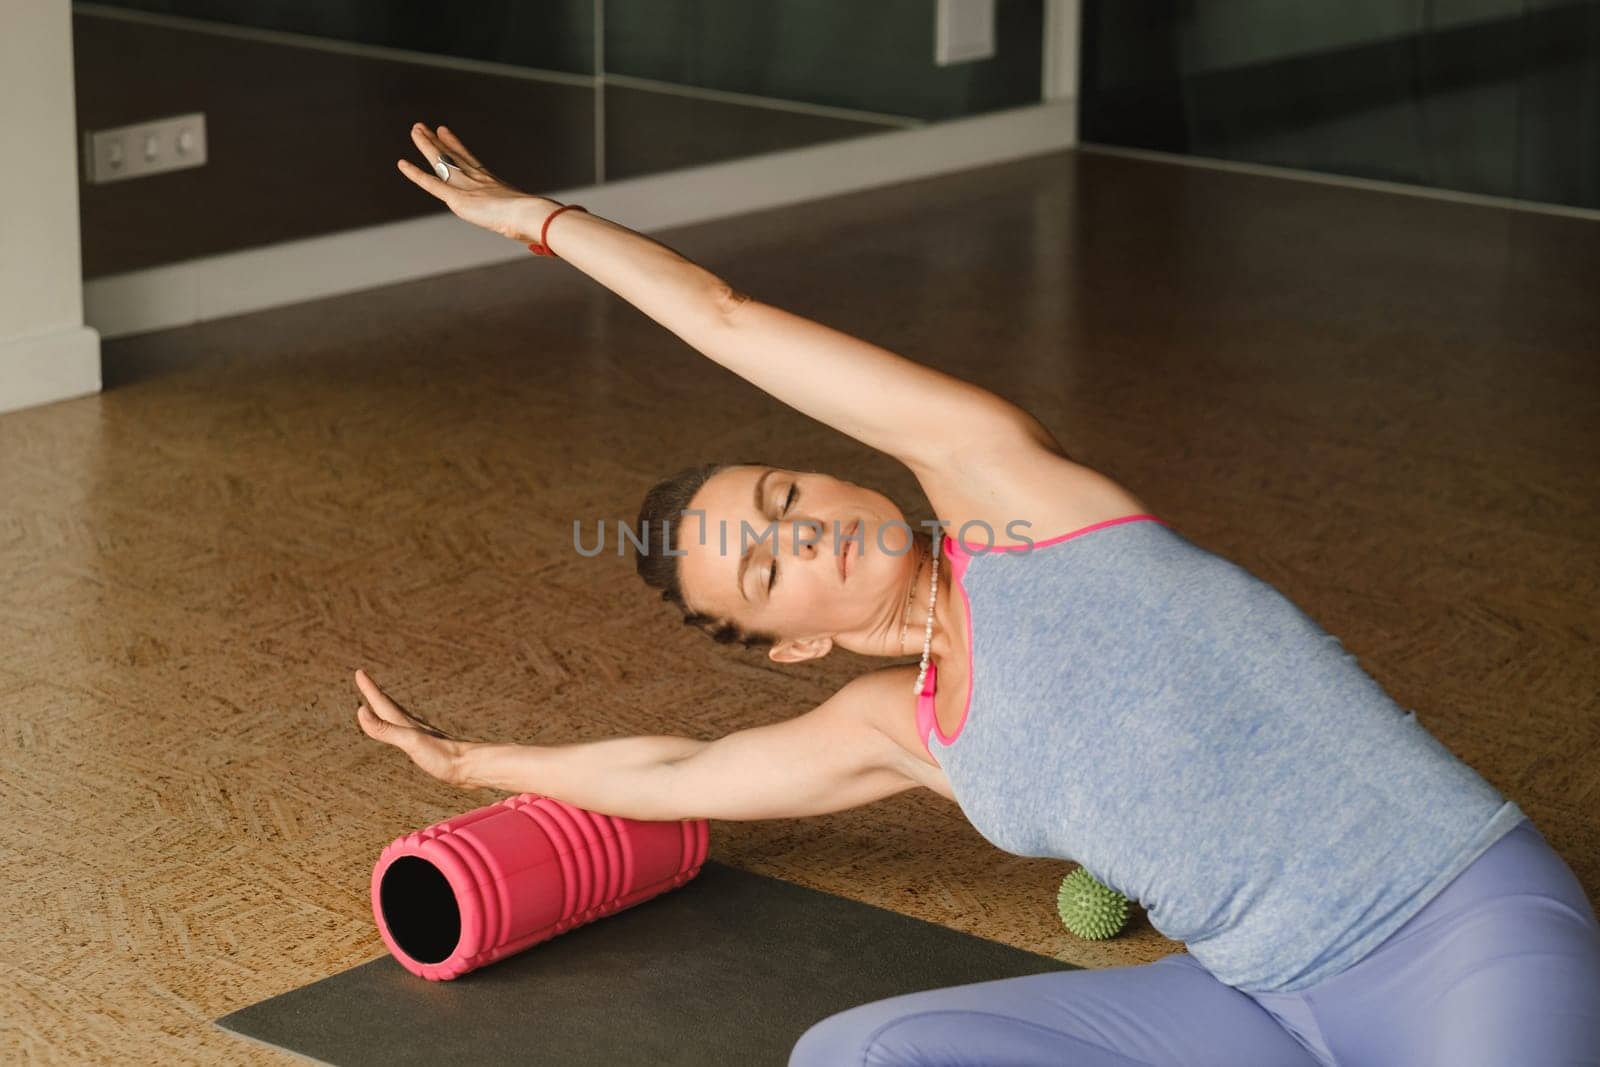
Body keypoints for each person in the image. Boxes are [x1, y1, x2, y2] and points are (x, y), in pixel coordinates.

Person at [354, 123, 1600, 1065]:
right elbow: (680, 779)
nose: (812, 534)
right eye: (767, 566)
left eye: (788, 498)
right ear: (786, 649)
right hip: (1252, 1002)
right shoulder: (899, 727)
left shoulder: (1011, 492)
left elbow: (727, 317)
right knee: (851, 1055)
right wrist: (470, 767)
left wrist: (543, 223)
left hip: (1458, 932)